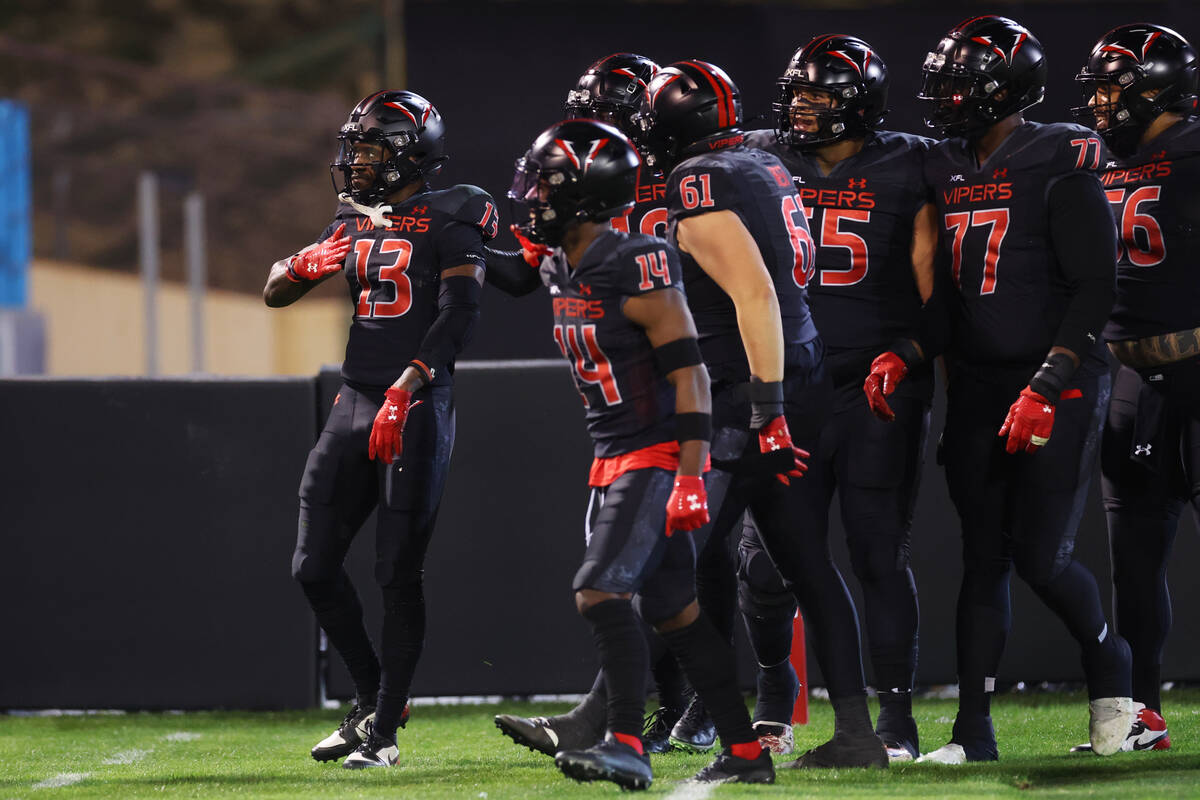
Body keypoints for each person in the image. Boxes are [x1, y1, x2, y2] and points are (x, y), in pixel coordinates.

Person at [870, 15, 1133, 764]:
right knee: (985, 554)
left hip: (1059, 378)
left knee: (1041, 556)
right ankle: (972, 734)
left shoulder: (1061, 154)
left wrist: (1047, 384)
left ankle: (1111, 672)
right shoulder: (947, 165)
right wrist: (907, 351)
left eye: (962, 83)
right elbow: (954, 301)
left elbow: (1094, 287)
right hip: (981, 384)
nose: (946, 95)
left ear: (1006, 89)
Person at [506, 118, 775, 789]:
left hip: (656, 455)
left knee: (599, 591)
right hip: (613, 453)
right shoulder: (567, 261)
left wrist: (690, 473)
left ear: (584, 192)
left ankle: (626, 740)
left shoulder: (635, 260)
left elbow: (690, 372)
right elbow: (511, 267)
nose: (532, 196)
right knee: (675, 611)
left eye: (545, 184)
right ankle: (746, 753)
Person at [636, 59, 888, 769]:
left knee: (665, 559)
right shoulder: (762, 165)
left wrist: (767, 408)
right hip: (794, 370)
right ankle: (856, 734)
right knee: (805, 559)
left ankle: (654, 725)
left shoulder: (699, 178)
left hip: (751, 390)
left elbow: (754, 297)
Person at [263, 90, 496, 768]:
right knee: (312, 566)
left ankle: (385, 732)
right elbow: (276, 289)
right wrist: (301, 265)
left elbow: (458, 315)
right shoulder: (353, 215)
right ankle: (371, 700)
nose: (355, 161)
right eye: (355, 148)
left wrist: (410, 383)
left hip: (416, 402)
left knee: (396, 571)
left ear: (409, 154)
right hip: (356, 397)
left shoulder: (455, 212)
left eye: (369, 149)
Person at [488, 53, 709, 757]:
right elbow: (524, 270)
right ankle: (664, 719)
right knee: (655, 574)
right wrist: (458, 245)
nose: (589, 133)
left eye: (607, 116)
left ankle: (707, 719)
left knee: (685, 571)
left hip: (693, 382)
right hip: (638, 397)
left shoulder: (694, 177)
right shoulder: (578, 203)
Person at [740, 33, 937, 761]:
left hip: (870, 387)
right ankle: (772, 697)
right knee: (765, 563)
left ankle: (896, 720)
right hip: (786, 387)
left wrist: (912, 352)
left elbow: (934, 290)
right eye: (797, 95)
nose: (804, 109)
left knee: (877, 553)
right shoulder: (757, 156)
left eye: (821, 97)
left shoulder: (909, 162)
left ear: (861, 106)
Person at [1070, 22, 1200, 753]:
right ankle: (1143, 715)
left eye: (1112, 84)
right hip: (1131, 377)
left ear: (1154, 86)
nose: (1098, 99)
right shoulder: (1097, 159)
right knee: (1136, 559)